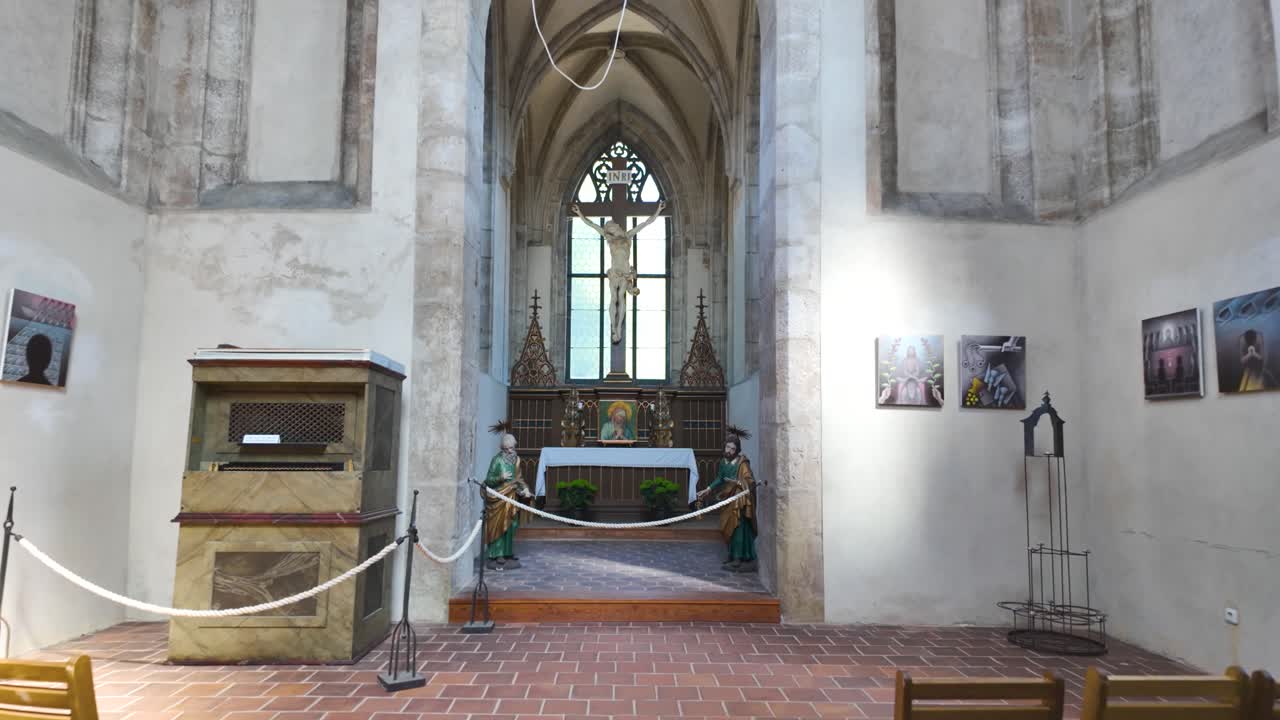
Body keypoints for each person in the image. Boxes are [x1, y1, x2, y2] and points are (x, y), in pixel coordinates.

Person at [571, 200, 666, 343]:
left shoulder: (628, 236)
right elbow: (592, 225)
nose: (618, 226)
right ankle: (613, 328)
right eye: (614, 226)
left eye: (616, 225)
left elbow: (646, 223)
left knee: (621, 298)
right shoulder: (609, 238)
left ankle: (618, 329)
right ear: (611, 230)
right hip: (615, 272)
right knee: (614, 298)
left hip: (626, 274)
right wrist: (579, 213)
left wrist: (658, 210)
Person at [696, 429, 757, 572]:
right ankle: (731, 554)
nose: (729, 450)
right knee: (727, 526)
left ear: (737, 450)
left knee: (738, 528)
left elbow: (749, 480)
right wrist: (708, 489)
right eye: (727, 447)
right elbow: (719, 478)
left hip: (739, 500)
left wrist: (739, 482)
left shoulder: (742, 463)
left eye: (732, 448)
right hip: (727, 498)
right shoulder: (723, 462)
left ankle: (738, 557)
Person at [483, 431, 533, 570]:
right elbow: (488, 481)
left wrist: (525, 489)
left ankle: (507, 552)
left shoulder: (516, 460)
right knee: (499, 526)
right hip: (499, 498)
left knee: (512, 525)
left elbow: (519, 478)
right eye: (507, 449)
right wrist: (501, 477)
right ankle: (497, 553)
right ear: (502, 448)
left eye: (512, 448)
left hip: (512, 498)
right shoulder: (497, 460)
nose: (510, 451)